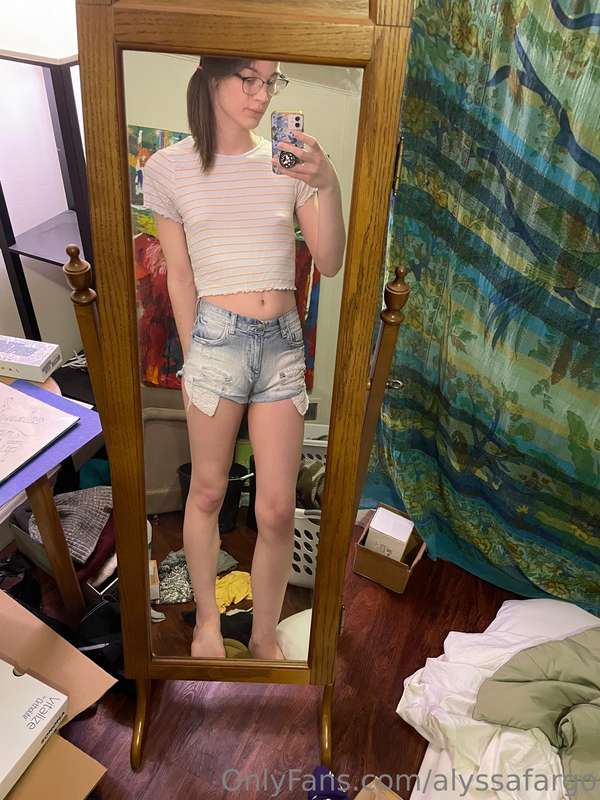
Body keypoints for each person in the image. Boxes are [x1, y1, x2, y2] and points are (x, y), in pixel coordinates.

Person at [142, 56, 346, 660]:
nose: (262, 94)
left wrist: (328, 181)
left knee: (277, 510)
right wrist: (193, 359)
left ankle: (261, 634)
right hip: (215, 341)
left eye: (270, 81)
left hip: (282, 343)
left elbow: (330, 260)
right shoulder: (168, 167)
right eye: (249, 79)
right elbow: (179, 276)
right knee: (207, 492)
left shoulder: (286, 162)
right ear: (212, 77)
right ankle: (208, 623)